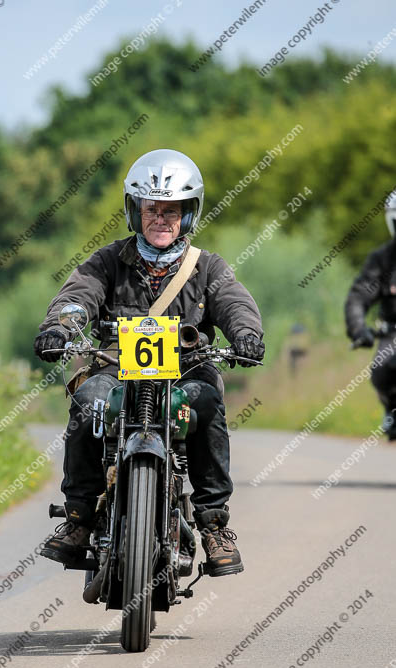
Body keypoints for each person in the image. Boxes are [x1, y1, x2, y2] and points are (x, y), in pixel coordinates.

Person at [34, 149, 265, 577]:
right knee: (88, 401)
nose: (160, 218)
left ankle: (213, 524)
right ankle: (80, 519)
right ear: (134, 210)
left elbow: (235, 303)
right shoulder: (106, 261)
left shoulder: (207, 267)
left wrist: (247, 335)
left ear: (188, 214)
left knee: (208, 406)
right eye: (151, 208)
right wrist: (60, 328)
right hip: (115, 370)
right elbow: (76, 298)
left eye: (171, 210)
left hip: (187, 372)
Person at [345, 191, 396, 440]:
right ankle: (391, 407)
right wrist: (358, 328)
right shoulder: (383, 260)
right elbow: (358, 297)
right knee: (383, 367)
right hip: (392, 332)